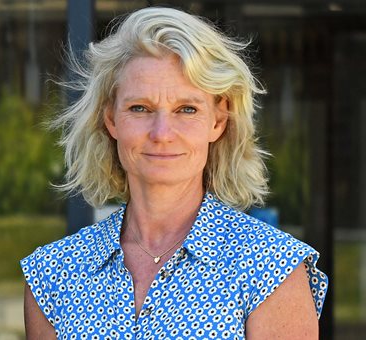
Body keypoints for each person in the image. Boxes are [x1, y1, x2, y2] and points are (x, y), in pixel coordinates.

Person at [22, 7, 328, 339]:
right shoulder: (53, 273)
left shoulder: (271, 268)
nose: (162, 132)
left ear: (218, 121)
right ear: (111, 119)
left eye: (186, 109)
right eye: (140, 108)